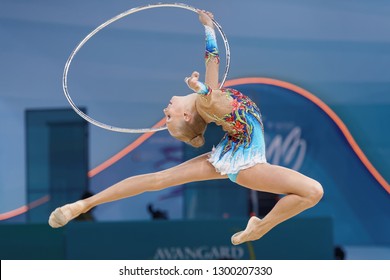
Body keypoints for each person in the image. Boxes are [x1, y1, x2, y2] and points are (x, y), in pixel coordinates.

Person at [48, 10, 323, 245]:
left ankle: (82, 205)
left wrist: (203, 81)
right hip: (247, 163)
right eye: (170, 117)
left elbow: (211, 82)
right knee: (313, 192)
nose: (165, 111)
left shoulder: (209, 102)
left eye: (166, 117)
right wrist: (206, 30)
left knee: (157, 180)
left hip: (233, 152)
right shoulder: (207, 104)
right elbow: (211, 64)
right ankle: (261, 227)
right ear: (188, 117)